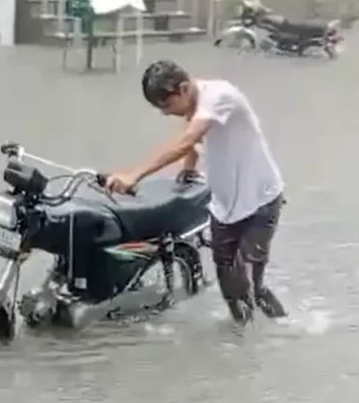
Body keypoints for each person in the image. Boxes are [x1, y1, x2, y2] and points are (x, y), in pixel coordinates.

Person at [104, 60, 288, 323]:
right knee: (230, 290)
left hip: (260, 201)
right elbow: (194, 138)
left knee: (246, 281)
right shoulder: (195, 105)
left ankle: (278, 333)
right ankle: (241, 345)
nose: (165, 113)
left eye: (166, 106)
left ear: (184, 88)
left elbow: (187, 140)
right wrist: (189, 169)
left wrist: (134, 175)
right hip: (224, 207)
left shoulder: (219, 96)